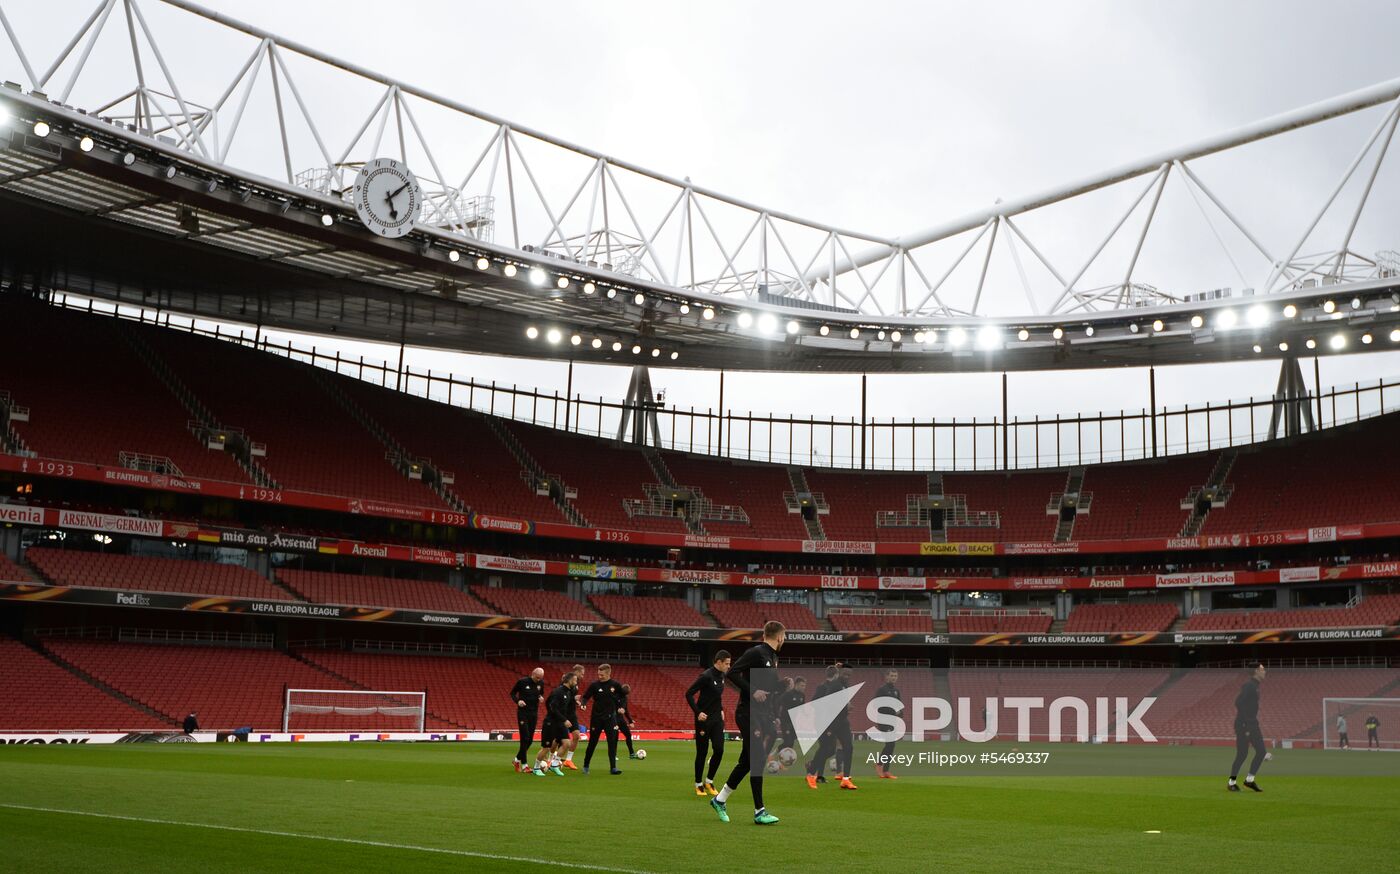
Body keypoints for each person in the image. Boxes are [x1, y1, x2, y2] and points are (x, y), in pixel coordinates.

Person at [709, 621, 785, 826]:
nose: (784, 640)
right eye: (784, 637)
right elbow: (732, 672)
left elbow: (768, 689)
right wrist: (753, 691)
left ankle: (719, 800)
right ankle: (759, 811)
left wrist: (781, 687)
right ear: (780, 637)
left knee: (747, 762)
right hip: (747, 713)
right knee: (758, 760)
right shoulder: (756, 652)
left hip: (762, 714)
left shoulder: (773, 657)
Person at [805, 663, 857, 790]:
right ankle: (811, 773)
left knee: (848, 747)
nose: (847, 676)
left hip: (842, 721)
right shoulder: (833, 686)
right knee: (826, 748)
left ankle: (845, 779)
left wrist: (847, 705)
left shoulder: (845, 686)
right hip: (829, 721)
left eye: (849, 674)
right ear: (839, 673)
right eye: (845, 674)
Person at [687, 650, 731, 796]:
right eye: (727, 663)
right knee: (702, 752)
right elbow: (688, 694)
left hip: (717, 718)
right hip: (703, 719)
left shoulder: (722, 676)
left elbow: (716, 696)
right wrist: (698, 712)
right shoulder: (706, 676)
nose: (728, 666)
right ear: (719, 662)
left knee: (719, 749)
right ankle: (698, 783)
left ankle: (709, 781)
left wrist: (721, 709)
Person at [1228, 663, 1267, 792]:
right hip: (1245, 725)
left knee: (1257, 752)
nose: (1264, 671)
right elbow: (1238, 702)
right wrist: (1246, 722)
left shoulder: (1255, 686)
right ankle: (1232, 782)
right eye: (1262, 669)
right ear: (1256, 671)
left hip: (1251, 724)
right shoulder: (1249, 686)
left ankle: (1248, 781)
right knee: (1244, 754)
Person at [580, 664, 625, 775]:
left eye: (602, 675)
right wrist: (583, 703)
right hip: (597, 718)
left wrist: (621, 707)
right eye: (599, 674)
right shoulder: (594, 685)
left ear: (608, 673)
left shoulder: (615, 685)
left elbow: (622, 697)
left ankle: (613, 768)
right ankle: (586, 765)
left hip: (610, 718)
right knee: (592, 742)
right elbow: (586, 697)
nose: (600, 676)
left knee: (612, 742)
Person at [534, 672, 577, 777]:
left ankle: (554, 765)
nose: (576, 682)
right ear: (569, 680)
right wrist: (563, 719)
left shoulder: (569, 692)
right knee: (546, 747)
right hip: (551, 722)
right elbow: (552, 706)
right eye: (575, 680)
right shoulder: (558, 692)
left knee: (567, 743)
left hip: (560, 723)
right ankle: (536, 768)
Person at [510, 667, 545, 773]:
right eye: (537, 677)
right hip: (523, 713)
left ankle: (516, 760)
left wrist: (540, 697)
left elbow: (540, 693)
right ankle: (524, 765)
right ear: (532, 674)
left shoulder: (541, 683)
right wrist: (518, 701)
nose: (538, 680)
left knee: (529, 740)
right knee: (524, 737)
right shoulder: (522, 682)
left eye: (540, 678)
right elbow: (512, 693)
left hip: (534, 713)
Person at [873, 668, 902, 780]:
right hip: (884, 720)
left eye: (895, 676)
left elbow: (899, 706)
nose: (894, 678)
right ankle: (880, 765)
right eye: (892, 676)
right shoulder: (882, 690)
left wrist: (900, 713)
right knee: (890, 744)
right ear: (887, 677)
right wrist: (892, 710)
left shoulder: (896, 691)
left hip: (893, 721)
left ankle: (886, 770)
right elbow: (876, 705)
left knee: (892, 745)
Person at [774, 676, 807, 755]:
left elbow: (802, 707)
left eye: (804, 686)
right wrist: (777, 716)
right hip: (785, 721)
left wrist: (805, 715)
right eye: (802, 685)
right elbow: (777, 703)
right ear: (797, 685)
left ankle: (783, 758)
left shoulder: (802, 695)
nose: (804, 687)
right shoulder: (788, 694)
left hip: (794, 722)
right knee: (788, 741)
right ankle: (777, 752)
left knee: (791, 743)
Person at [562, 664, 587, 770]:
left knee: (576, 736)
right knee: (558, 739)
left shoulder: (576, 684)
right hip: (563, 714)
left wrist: (577, 702)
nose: (582, 676)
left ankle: (568, 760)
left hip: (572, 713)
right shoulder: (566, 681)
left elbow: (571, 698)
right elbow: (563, 696)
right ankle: (551, 759)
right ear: (576, 672)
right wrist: (573, 699)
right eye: (582, 674)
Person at [617, 684, 638, 758]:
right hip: (613, 719)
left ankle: (631, 753)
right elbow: (609, 706)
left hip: (620, 719)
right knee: (614, 737)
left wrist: (630, 721)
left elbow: (626, 710)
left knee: (628, 735)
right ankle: (613, 755)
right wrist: (617, 710)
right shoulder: (615, 696)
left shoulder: (625, 698)